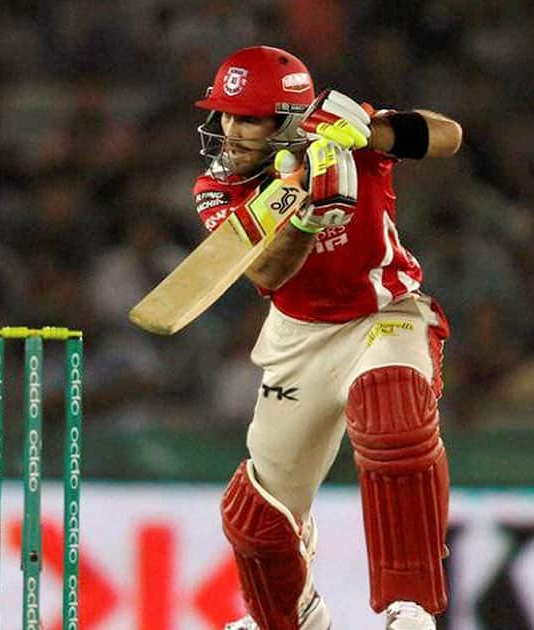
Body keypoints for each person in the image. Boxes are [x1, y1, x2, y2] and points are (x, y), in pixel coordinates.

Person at [191, 46, 462, 630]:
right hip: (297, 334)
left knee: (393, 414)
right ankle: (294, 615)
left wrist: (376, 132)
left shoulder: (339, 134)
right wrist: (311, 216)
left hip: (384, 313)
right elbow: (266, 274)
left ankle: (408, 605)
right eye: (227, 116)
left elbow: (450, 136)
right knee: (256, 518)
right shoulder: (216, 187)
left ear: (287, 118)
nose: (231, 131)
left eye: (248, 118)